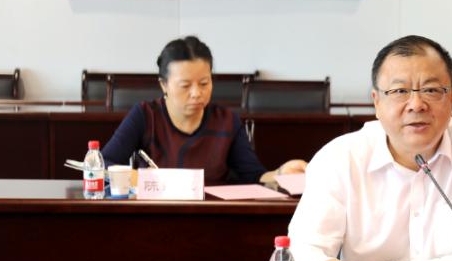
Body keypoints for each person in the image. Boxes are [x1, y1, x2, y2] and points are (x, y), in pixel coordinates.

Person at [288, 35, 452, 261]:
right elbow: (301, 250)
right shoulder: (340, 157)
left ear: (451, 98)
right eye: (399, 91)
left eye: (431, 90)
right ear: (377, 102)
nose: (416, 105)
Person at [102, 36, 306, 185]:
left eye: (204, 83)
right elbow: (103, 163)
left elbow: (253, 175)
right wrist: (138, 178)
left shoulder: (226, 121)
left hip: (213, 217)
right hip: (157, 214)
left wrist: (280, 173)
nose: (196, 93)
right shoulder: (146, 115)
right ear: (164, 85)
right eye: (185, 85)